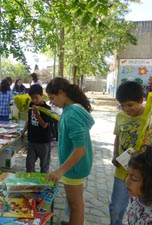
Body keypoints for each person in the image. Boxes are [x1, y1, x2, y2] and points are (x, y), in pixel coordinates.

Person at [110, 81, 152, 225]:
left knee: (141, 211)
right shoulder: (120, 116)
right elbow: (118, 136)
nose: (126, 109)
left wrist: (147, 156)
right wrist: (115, 155)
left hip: (145, 176)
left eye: (130, 105)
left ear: (141, 100)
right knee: (116, 208)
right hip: (122, 171)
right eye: (122, 105)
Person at [45, 77, 95, 225]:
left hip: (73, 168)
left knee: (76, 207)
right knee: (75, 205)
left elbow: (80, 149)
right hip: (75, 165)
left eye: (52, 98)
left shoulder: (71, 114)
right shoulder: (73, 109)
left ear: (62, 92)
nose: (52, 102)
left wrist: (61, 170)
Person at [21, 84, 52, 173]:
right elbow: (29, 120)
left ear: (41, 95)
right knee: (29, 164)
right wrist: (23, 131)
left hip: (43, 142)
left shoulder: (47, 109)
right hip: (32, 140)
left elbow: (44, 125)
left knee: (44, 165)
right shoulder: (31, 105)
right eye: (32, 98)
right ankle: (30, 183)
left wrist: (37, 113)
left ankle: (43, 184)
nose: (34, 100)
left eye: (36, 98)